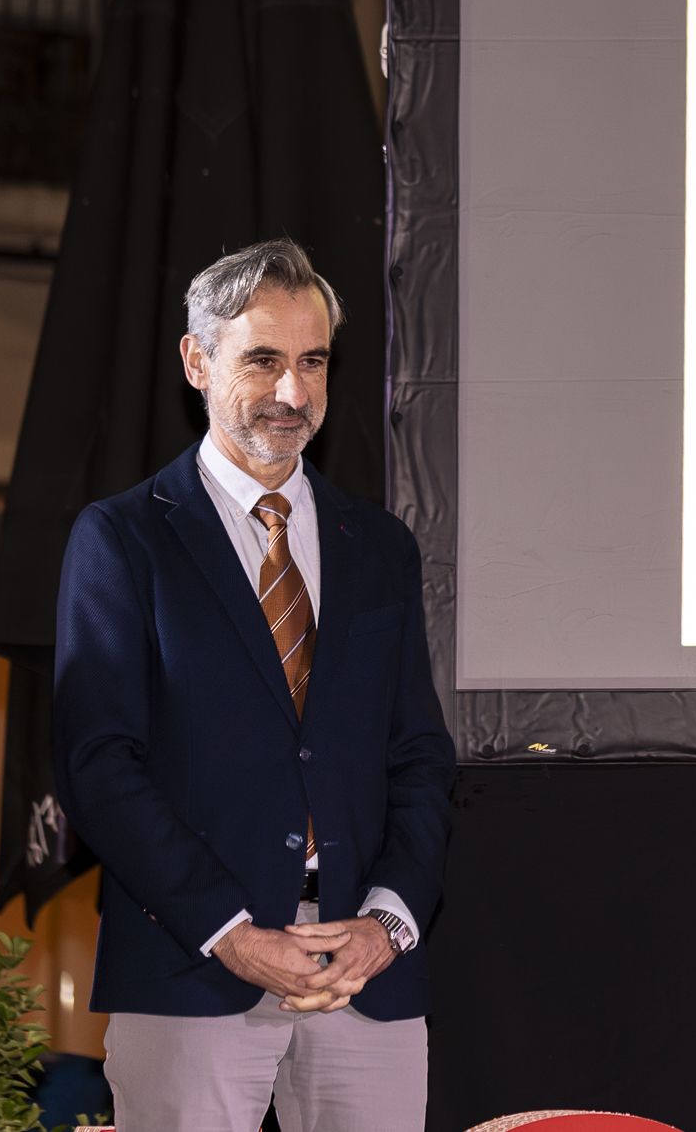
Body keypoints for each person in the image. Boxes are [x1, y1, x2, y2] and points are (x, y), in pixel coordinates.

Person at [53, 238, 454, 1131]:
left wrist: (384, 925)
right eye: (263, 360)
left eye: (312, 361)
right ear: (197, 360)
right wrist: (233, 932)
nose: (294, 392)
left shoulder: (379, 546)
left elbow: (419, 756)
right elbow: (99, 765)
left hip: (363, 978)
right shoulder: (123, 540)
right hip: (192, 968)